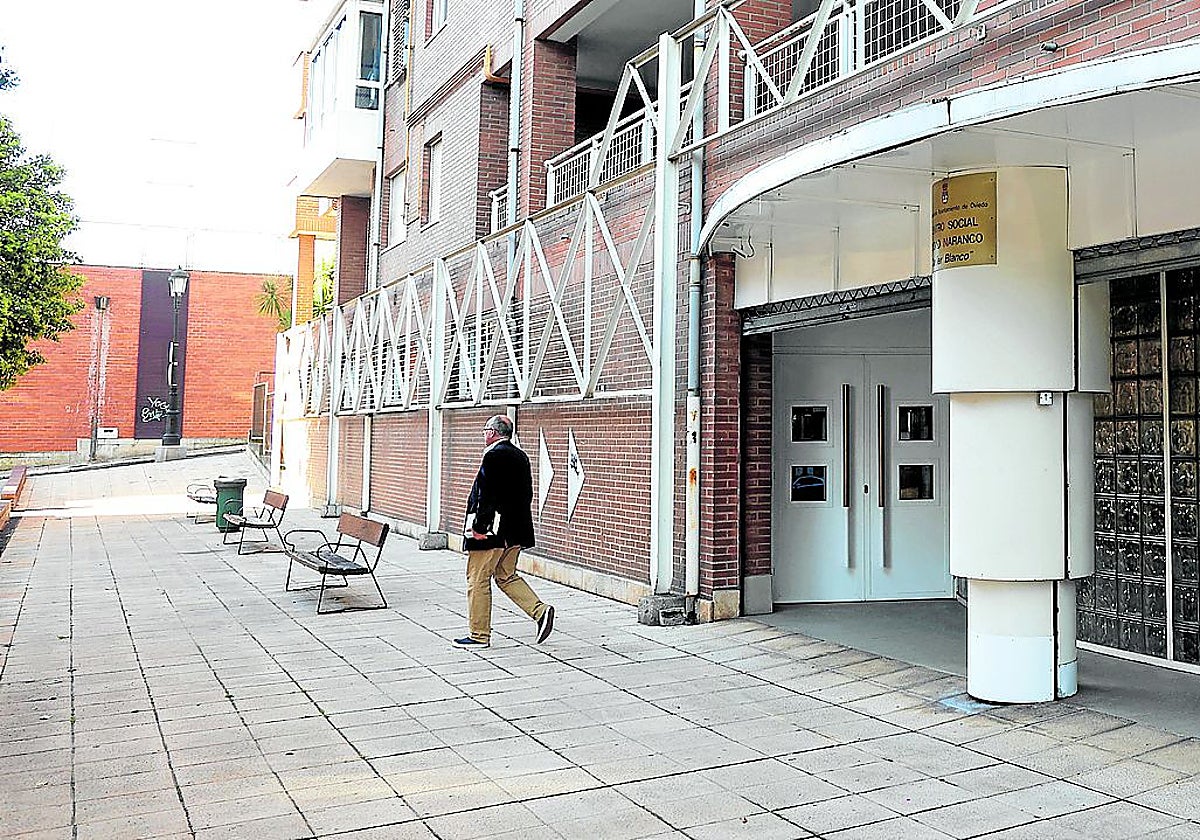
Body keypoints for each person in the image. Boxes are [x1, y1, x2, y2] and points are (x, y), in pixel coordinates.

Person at [454, 414, 554, 649]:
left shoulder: (493, 456)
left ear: (492, 432)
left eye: (485, 430)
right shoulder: (520, 455)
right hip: (516, 531)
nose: (483, 435)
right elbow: (524, 495)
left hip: (493, 533)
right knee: (506, 575)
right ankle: (540, 611)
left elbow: (488, 495)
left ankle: (478, 635)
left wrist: (479, 528)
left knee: (477, 579)